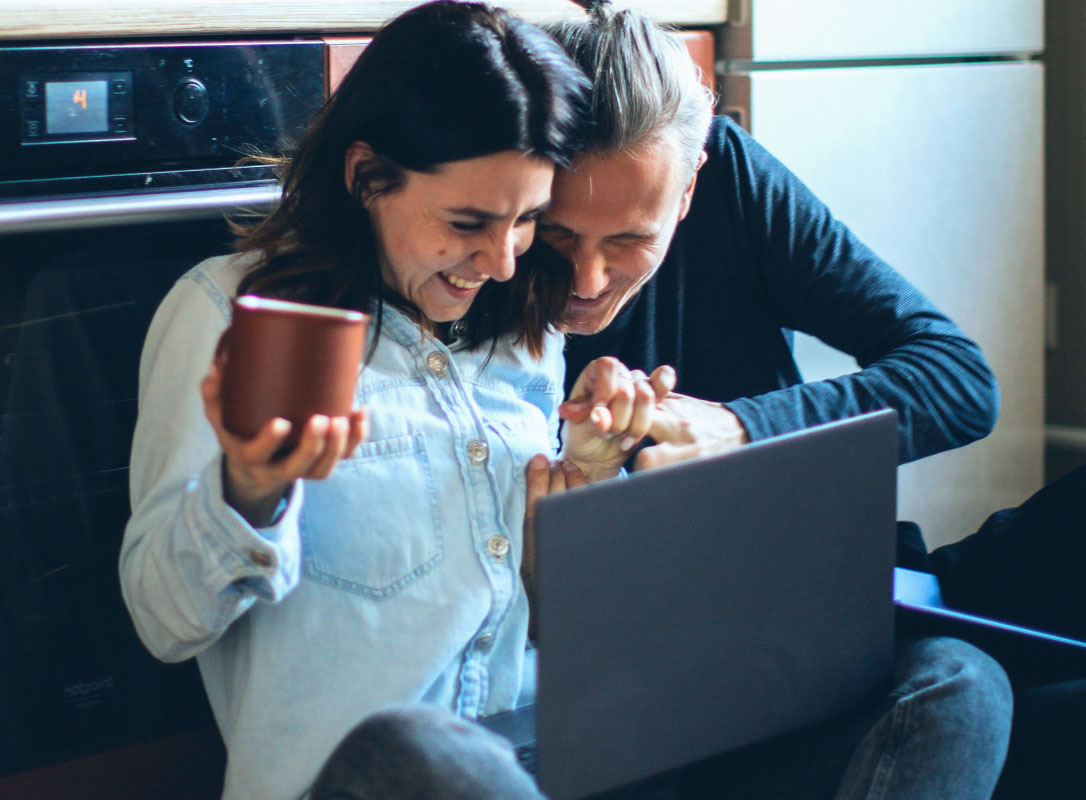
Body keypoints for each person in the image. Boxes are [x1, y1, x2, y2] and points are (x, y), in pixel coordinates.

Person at [118, 4, 648, 798]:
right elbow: (163, 623)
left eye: (528, 221)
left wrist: (589, 483)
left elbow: (525, 624)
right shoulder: (234, 317)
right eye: (468, 221)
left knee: (898, 674)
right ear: (367, 176)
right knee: (417, 756)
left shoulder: (523, 336)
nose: (504, 263)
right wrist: (249, 490)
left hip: (529, 761)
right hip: (366, 785)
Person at [520, 1, 1015, 797]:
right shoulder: (477, 240)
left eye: (629, 242)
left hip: (792, 628)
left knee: (962, 685)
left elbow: (957, 377)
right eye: (556, 238)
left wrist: (740, 428)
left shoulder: (735, 182)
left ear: (687, 191)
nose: (587, 282)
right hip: (610, 668)